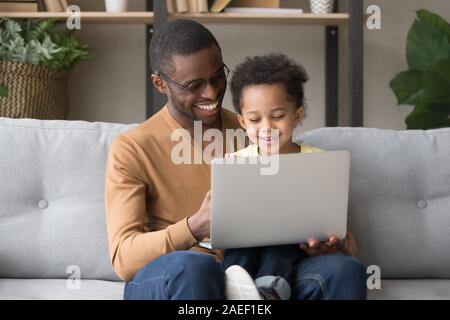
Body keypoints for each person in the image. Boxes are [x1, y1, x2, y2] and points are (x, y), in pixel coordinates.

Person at [104, 19, 367, 300]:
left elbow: (330, 226)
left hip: (260, 275)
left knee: (345, 270)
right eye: (195, 85)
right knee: (196, 268)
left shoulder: (256, 130)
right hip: (182, 271)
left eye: (218, 76)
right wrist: (193, 227)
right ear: (160, 84)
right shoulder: (132, 148)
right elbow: (124, 258)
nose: (212, 93)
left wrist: (330, 245)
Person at [224, 53, 365, 299]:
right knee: (246, 237)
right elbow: (222, 228)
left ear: (297, 116)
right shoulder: (235, 163)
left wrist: (332, 243)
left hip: (297, 251)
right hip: (245, 258)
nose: (266, 128)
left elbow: (341, 234)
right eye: (255, 119)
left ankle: (266, 291)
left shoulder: (320, 162)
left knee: (286, 225)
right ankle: (240, 289)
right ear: (242, 122)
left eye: (278, 116)